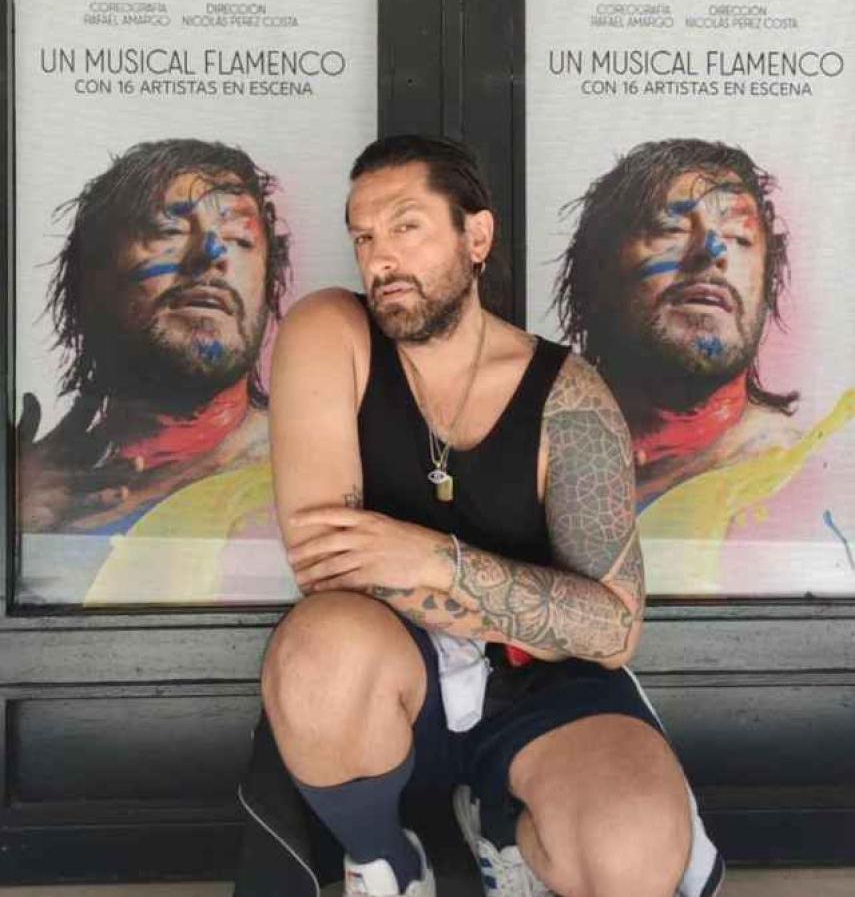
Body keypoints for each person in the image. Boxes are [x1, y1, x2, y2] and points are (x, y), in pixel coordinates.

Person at [258, 135, 722, 897]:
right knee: (320, 653)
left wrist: (429, 561)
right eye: (363, 236)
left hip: (541, 691)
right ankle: (385, 860)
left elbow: (613, 629)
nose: (379, 258)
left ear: (476, 237)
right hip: (396, 680)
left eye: (406, 226)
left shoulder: (568, 398)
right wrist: (531, 609)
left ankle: (508, 832)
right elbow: (325, 559)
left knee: (632, 856)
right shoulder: (331, 333)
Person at [554, 138, 855, 593]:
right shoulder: (536, 450)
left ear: (766, 289)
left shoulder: (806, 481)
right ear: (597, 273)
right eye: (670, 228)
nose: (712, 251)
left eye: (740, 238)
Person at [17, 138, 292, 603]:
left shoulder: (318, 469)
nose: (211, 253)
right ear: (90, 276)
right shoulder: (29, 488)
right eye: (168, 230)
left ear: (269, 288)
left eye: (241, 239)